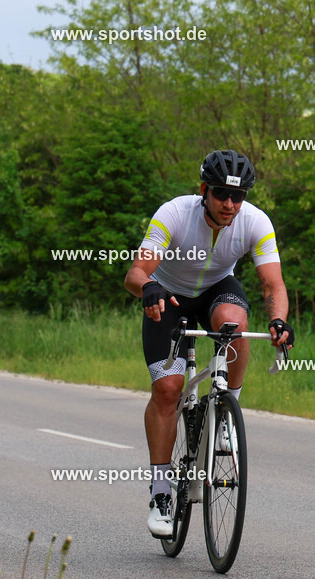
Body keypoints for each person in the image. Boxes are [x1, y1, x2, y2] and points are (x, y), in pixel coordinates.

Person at [125, 150, 294, 538]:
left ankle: (228, 404)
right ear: (204, 190)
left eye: (239, 196)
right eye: (221, 194)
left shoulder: (255, 222)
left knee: (234, 323)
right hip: (168, 295)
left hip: (218, 288)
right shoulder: (173, 214)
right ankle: (162, 491)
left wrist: (279, 320)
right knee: (168, 390)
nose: (230, 205)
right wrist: (148, 286)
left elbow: (273, 285)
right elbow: (136, 272)